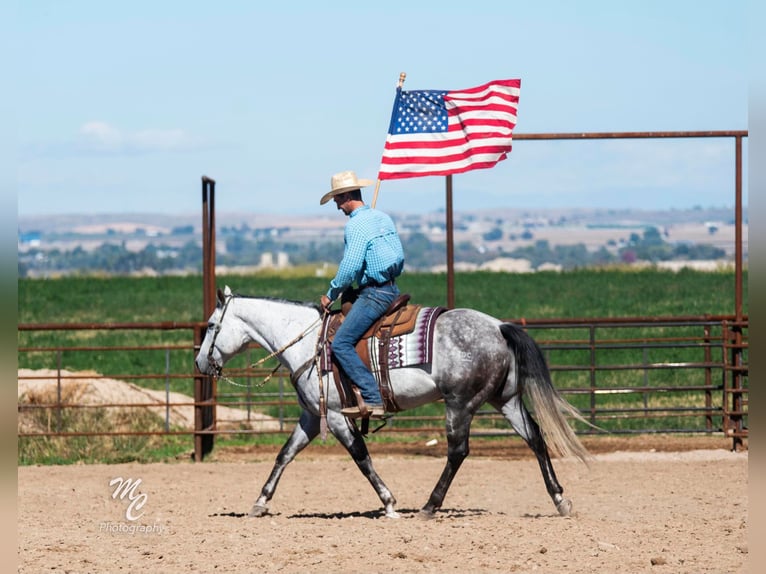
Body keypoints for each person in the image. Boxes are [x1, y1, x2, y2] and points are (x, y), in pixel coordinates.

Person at [319, 170, 405, 419]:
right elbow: (398, 256)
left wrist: (330, 294)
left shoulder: (355, 225)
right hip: (391, 287)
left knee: (341, 343)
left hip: (375, 294)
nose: (336, 206)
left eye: (337, 199)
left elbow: (350, 267)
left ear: (346, 195)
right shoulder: (382, 217)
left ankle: (372, 397)